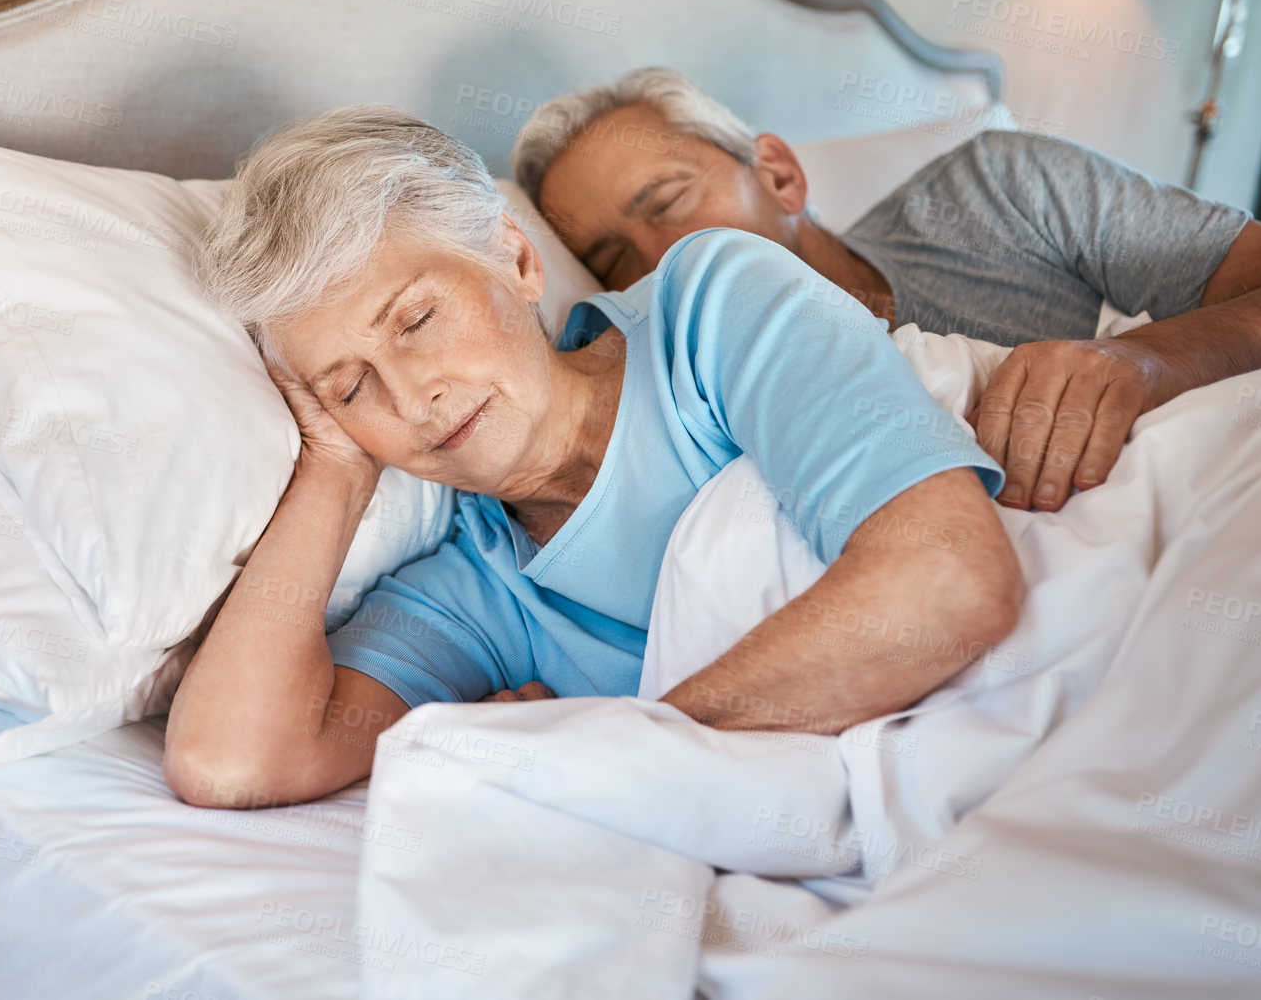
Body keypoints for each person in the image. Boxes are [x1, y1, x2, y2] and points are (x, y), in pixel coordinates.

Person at [163, 104, 1022, 810]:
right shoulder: (479, 592)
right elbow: (229, 763)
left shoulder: (709, 310)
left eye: (418, 321)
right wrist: (335, 469)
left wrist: (598, 749)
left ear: (518, 258)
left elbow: (951, 583)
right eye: (351, 388)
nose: (411, 398)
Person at [510, 67, 1261, 512]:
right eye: (613, 260)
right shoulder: (680, 408)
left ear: (778, 174)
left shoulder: (1001, 187)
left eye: (670, 202)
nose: (663, 260)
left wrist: (1148, 362)